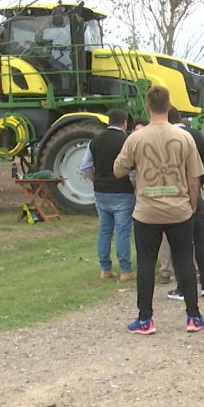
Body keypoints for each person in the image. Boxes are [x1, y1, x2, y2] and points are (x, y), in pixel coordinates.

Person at [113, 85, 204, 334]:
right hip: (179, 208)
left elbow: (118, 169)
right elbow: (194, 178)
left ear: (147, 107)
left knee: (145, 264)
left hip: (147, 211)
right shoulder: (184, 137)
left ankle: (145, 319)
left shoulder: (136, 138)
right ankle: (193, 316)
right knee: (185, 261)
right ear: (170, 105)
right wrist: (192, 206)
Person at [164, 106, 204, 301]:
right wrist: (199, 185)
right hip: (196, 189)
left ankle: (182, 286)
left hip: (174, 193)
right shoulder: (195, 134)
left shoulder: (166, 136)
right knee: (199, 239)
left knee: (179, 243)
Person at [81, 108, 136, 281]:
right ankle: (126, 270)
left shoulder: (95, 141)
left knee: (104, 230)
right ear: (125, 122)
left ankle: (105, 268)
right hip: (123, 191)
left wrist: (96, 180)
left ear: (108, 121)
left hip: (101, 191)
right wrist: (135, 188)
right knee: (122, 231)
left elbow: (85, 167)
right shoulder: (127, 141)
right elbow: (132, 170)